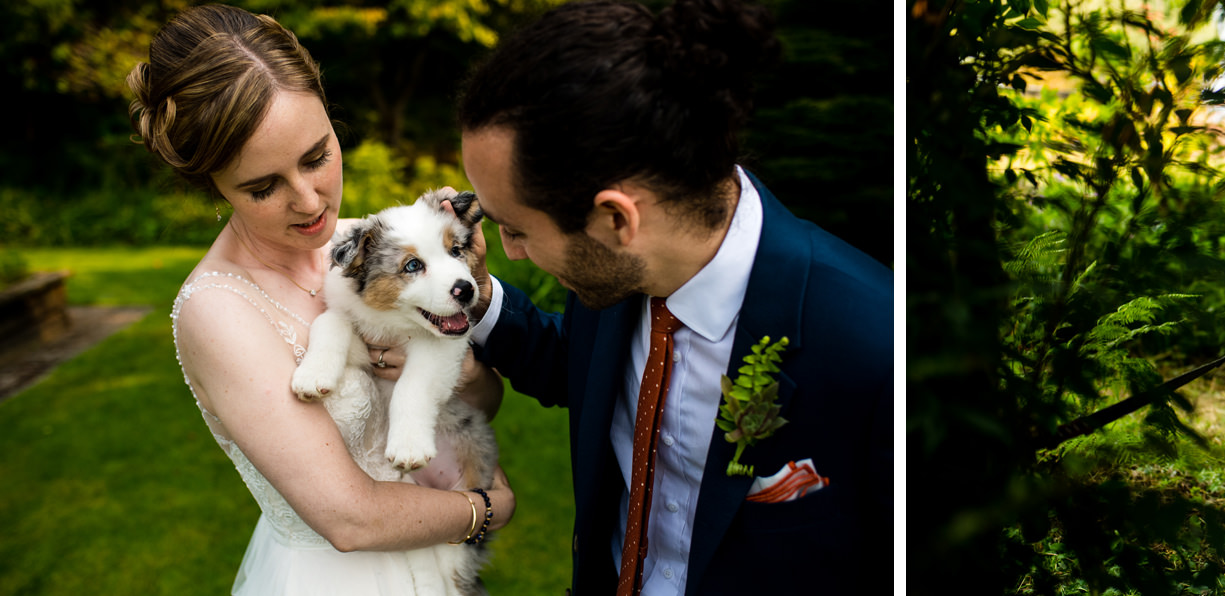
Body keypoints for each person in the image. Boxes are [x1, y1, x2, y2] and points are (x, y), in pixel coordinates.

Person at [453, 0, 894, 594]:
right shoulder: (617, 273)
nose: (511, 250)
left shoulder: (877, 349)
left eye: (517, 228)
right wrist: (474, 298)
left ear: (615, 219)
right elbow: (587, 373)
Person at [134, 5, 515, 593]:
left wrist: (460, 366)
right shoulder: (218, 310)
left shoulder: (368, 245)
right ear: (212, 183)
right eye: (263, 187)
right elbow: (349, 517)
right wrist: (487, 510)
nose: (310, 202)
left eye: (317, 157)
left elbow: (482, 398)